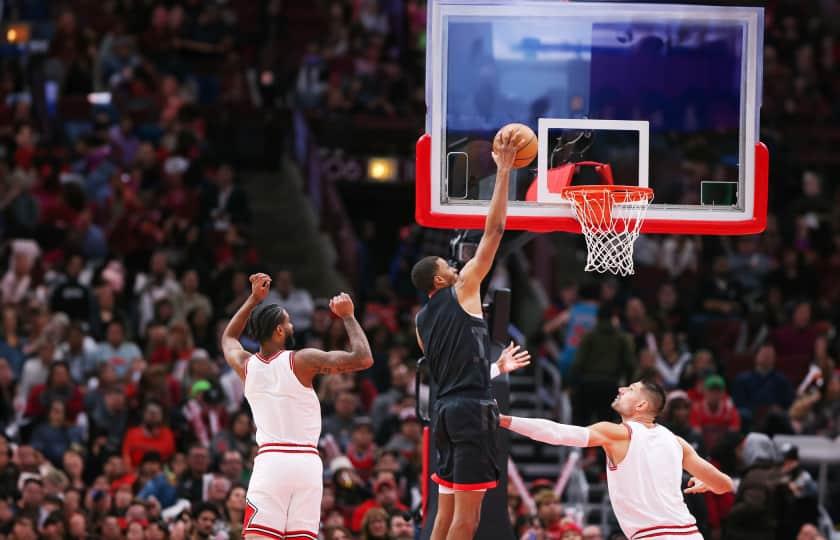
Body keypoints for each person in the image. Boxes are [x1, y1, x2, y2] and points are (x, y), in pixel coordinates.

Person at [411, 132, 529, 540]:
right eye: (449, 263)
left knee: (443, 518)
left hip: (443, 413)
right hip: (471, 413)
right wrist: (502, 173)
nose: (456, 265)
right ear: (441, 278)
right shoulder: (463, 288)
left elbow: (454, 363)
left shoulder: (421, 320)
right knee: (467, 520)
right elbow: (494, 231)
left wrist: (493, 366)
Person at [221, 273, 373, 540]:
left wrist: (254, 299)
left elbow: (229, 337)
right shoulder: (302, 360)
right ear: (279, 331)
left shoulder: (246, 365)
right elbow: (363, 358)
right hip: (307, 464)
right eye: (288, 322)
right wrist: (348, 316)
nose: (292, 326)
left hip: (270, 463)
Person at [501, 380, 734, 540]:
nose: (622, 388)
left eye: (631, 389)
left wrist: (505, 420)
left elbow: (558, 433)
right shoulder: (677, 441)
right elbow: (725, 485)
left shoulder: (618, 433)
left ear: (641, 405)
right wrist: (709, 483)